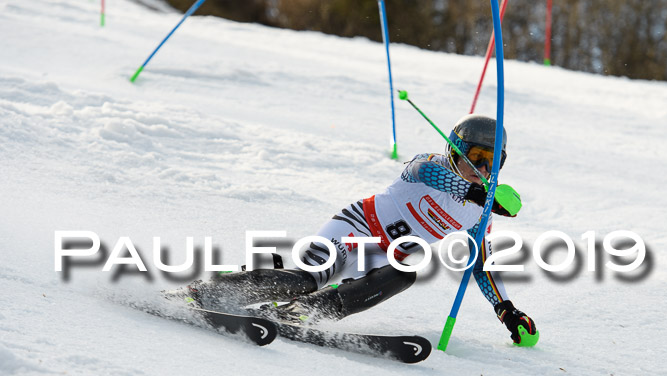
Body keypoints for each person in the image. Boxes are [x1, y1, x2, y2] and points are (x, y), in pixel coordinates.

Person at [179, 115, 538, 346]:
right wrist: (476, 192)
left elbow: (481, 264)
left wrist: (505, 309)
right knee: (308, 277)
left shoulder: (480, 213)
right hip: (355, 229)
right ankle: (208, 292)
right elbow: (423, 173)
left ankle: (304, 312)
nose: (483, 167)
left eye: (494, 161)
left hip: (382, 259)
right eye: (476, 156)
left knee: (406, 274)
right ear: (455, 149)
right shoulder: (431, 165)